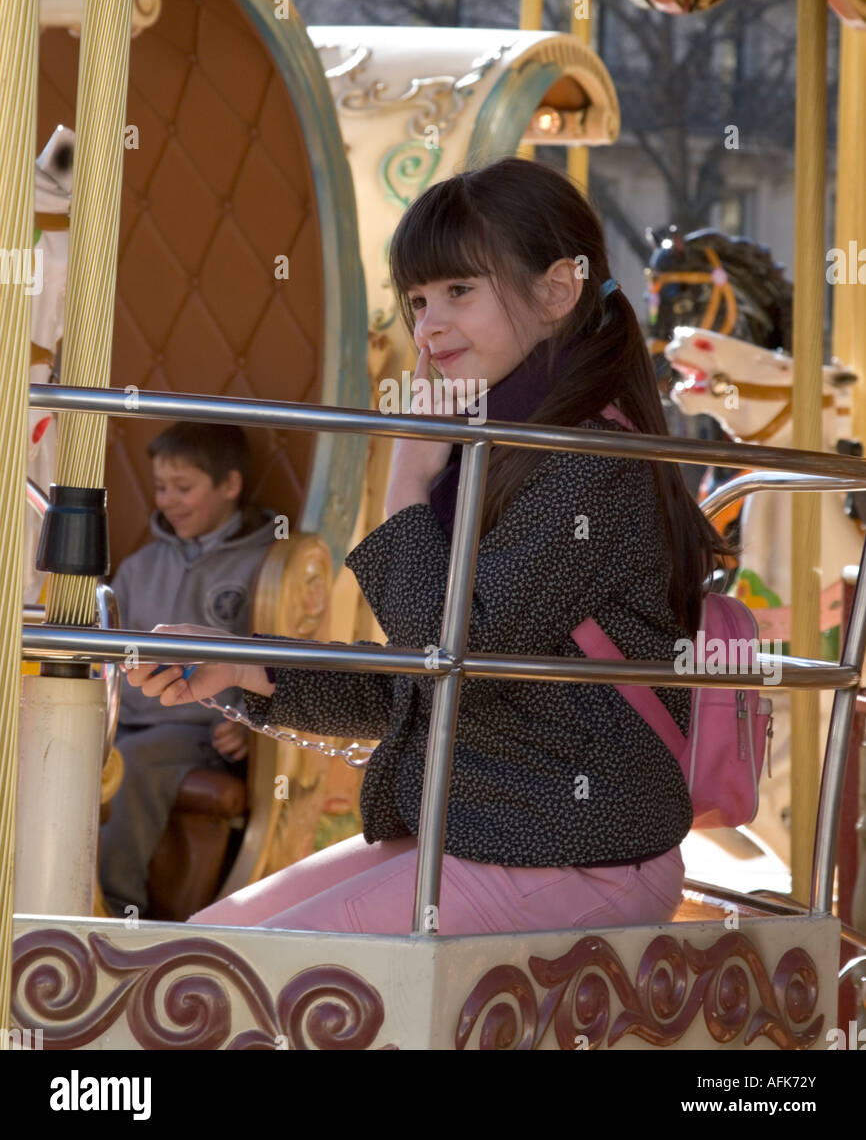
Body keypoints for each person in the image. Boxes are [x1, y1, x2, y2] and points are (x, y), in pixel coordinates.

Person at [125, 158, 735, 935]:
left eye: (458, 292)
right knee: (202, 951)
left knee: (227, 979)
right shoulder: (502, 450)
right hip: (492, 829)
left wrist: (408, 476)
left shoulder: (590, 461)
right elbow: (425, 686)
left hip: (571, 850)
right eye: (417, 299)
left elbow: (452, 655)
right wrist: (246, 665)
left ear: (557, 290)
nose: (428, 327)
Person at [100, 422, 276, 918]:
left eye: (184, 488)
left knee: (127, 764)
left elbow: (275, 663)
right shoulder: (138, 566)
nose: (168, 501)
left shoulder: (266, 566)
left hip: (199, 729)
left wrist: (247, 724)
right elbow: (112, 656)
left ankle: (112, 908)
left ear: (230, 485)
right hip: (127, 718)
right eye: (160, 488)